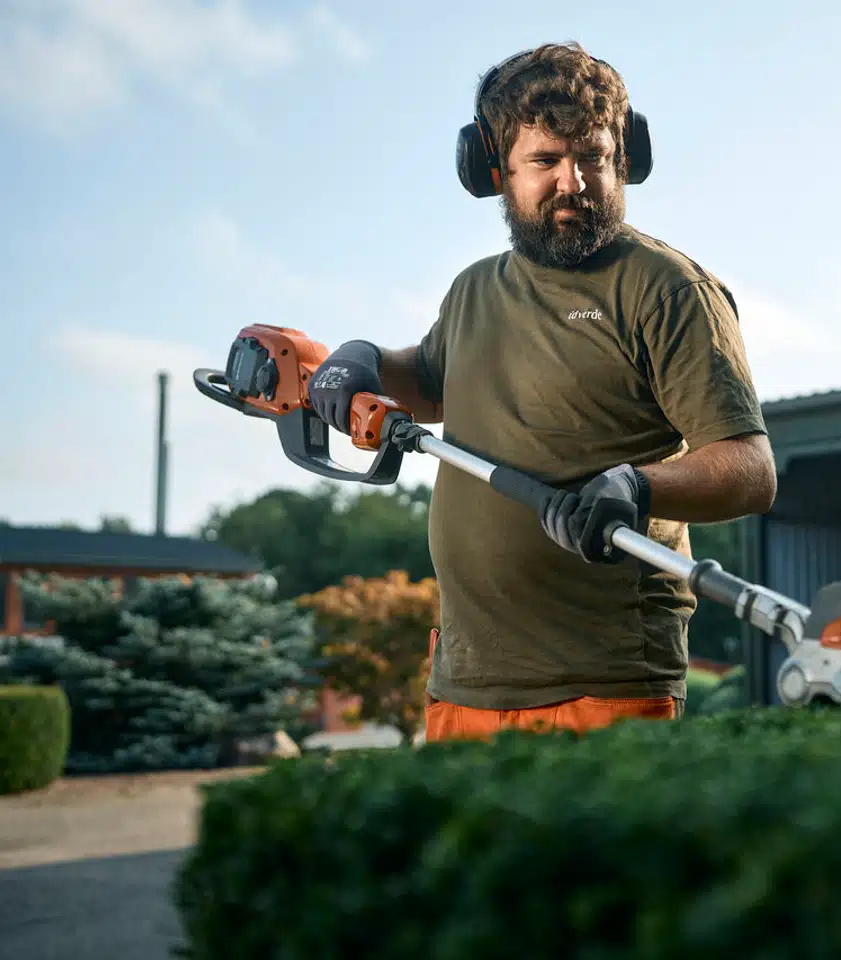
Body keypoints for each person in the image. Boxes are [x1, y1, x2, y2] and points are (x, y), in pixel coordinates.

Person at [305, 42, 776, 742]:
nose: (574, 183)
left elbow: (749, 470)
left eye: (593, 157)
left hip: (604, 687)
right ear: (493, 170)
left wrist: (635, 486)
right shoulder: (473, 290)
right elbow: (430, 384)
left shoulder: (667, 289)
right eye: (546, 161)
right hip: (463, 682)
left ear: (625, 159)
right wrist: (360, 359)